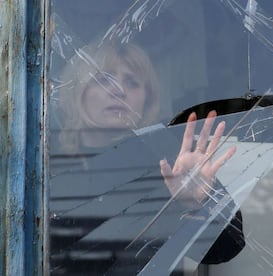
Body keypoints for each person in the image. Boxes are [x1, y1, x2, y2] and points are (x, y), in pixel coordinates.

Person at [49, 41, 245, 275]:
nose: (118, 90)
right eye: (103, 79)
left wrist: (195, 203)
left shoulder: (170, 163)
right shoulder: (42, 163)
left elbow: (228, 247)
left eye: (132, 82)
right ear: (77, 92)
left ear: (147, 100)